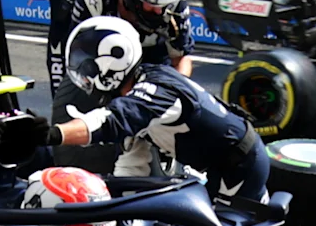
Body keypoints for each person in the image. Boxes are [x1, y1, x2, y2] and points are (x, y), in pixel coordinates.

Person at [54, 17, 273, 212]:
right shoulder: (138, 93)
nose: (85, 78)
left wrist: (51, 134)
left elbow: (110, 122)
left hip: (239, 163)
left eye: (89, 69)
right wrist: (114, 208)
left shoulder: (153, 93)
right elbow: (132, 165)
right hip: (228, 161)